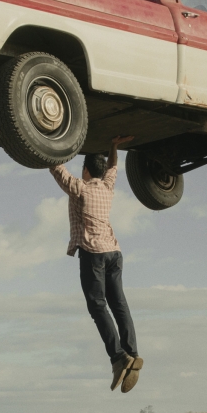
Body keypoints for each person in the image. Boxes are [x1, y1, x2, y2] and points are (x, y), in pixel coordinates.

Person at [50, 136, 145, 393]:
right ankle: (132, 353)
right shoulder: (107, 187)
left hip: (93, 254)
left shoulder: (80, 188)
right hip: (115, 252)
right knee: (119, 303)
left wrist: (48, 143)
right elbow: (114, 167)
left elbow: (56, 168)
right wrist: (113, 147)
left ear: (86, 170)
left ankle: (118, 358)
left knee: (97, 305)